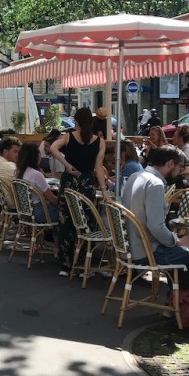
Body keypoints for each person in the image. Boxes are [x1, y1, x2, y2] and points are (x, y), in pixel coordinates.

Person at [122, 145, 189, 334]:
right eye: (181, 168)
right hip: (149, 251)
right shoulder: (155, 184)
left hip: (133, 248)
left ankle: (176, 305)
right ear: (170, 163)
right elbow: (156, 226)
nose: (181, 173)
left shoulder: (135, 177)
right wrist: (177, 241)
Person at [50, 107, 109, 277]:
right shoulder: (99, 141)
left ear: (76, 121)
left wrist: (67, 165)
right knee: (86, 222)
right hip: (87, 184)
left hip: (69, 182)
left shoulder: (68, 137)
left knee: (66, 222)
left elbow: (53, 148)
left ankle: (66, 265)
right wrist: (104, 190)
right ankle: (84, 263)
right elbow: (98, 168)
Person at [15, 142, 60, 223]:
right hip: (40, 213)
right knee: (68, 212)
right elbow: (52, 200)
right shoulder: (36, 174)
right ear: (35, 157)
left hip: (25, 213)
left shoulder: (18, 172)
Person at [0, 136, 21, 208]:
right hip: (16, 204)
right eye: (15, 151)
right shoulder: (10, 166)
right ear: (5, 152)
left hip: (5, 202)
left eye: (19, 152)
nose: (18, 155)